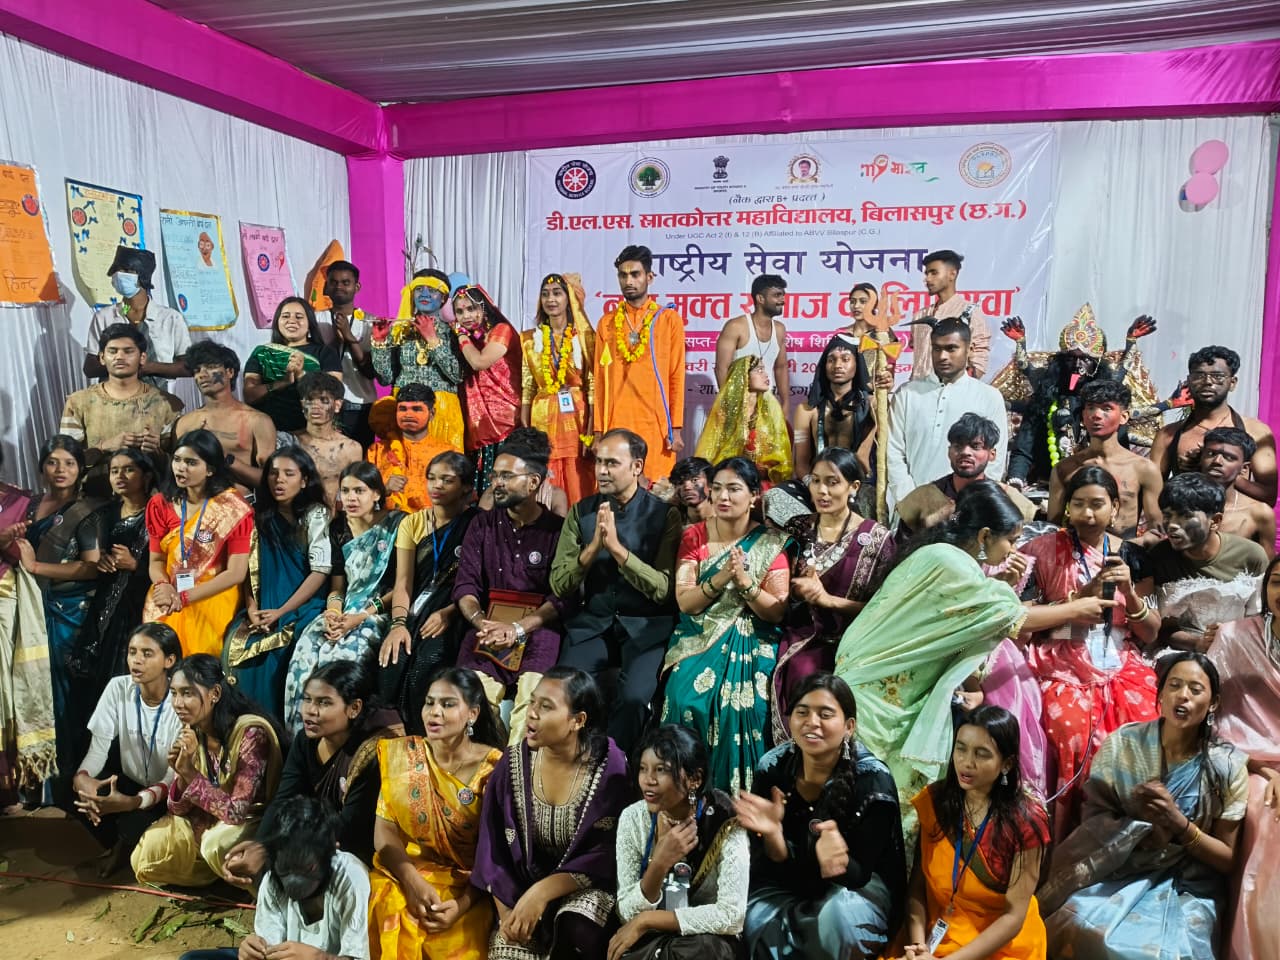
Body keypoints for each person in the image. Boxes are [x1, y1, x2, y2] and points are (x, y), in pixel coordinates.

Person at [835, 482, 1117, 813]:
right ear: (984, 536)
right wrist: (1076, 609)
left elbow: (968, 611)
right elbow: (1013, 618)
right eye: (1011, 540)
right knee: (881, 793)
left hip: (865, 677)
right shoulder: (956, 566)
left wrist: (1008, 586)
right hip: (880, 695)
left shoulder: (937, 554)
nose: (1014, 550)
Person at [1040, 653, 1250, 959]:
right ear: (1160, 694)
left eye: (1195, 689)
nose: (1183, 695)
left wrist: (1178, 824)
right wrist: (1137, 829)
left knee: (1172, 952)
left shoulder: (1226, 766)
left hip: (1188, 884)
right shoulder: (1123, 744)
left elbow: (1227, 859)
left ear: (1214, 703)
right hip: (1120, 868)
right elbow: (1093, 821)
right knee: (1076, 922)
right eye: (1174, 685)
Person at [1020, 466, 1159, 838]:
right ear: (1067, 507)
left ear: (1115, 507)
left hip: (1119, 657)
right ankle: (1066, 837)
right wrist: (1080, 599)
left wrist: (1129, 593)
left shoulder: (1132, 555)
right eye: (1078, 504)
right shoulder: (1041, 550)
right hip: (1059, 658)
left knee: (1144, 722)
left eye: (1097, 504)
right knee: (1070, 731)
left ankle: (1128, 837)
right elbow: (1023, 620)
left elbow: (1149, 632)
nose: (1087, 513)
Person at [737, 673, 906, 960]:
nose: (811, 722)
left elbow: (860, 875)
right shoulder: (772, 767)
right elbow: (769, 869)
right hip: (789, 881)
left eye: (825, 714)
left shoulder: (873, 781)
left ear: (849, 726)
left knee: (836, 920)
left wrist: (839, 864)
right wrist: (774, 838)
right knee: (756, 917)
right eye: (802, 712)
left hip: (856, 890)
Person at [473, 667, 631, 960]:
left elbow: (607, 854)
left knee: (578, 928)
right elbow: (493, 847)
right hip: (519, 890)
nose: (532, 713)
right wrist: (509, 916)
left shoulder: (610, 769)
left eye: (546, 707)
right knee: (506, 951)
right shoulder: (512, 765)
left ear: (578, 720)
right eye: (532, 702)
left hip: (585, 890)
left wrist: (543, 892)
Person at [662, 457, 790, 791]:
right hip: (699, 633)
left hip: (755, 635)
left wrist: (745, 583)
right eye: (716, 488)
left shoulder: (771, 542)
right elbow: (686, 603)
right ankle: (682, 793)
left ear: (754, 496)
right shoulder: (694, 537)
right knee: (683, 695)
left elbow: (776, 611)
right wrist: (722, 577)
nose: (723, 496)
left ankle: (739, 800)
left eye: (733, 489)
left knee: (749, 705)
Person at [551, 429, 681, 753]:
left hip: (646, 626)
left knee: (634, 699)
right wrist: (593, 548)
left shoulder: (665, 515)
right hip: (593, 625)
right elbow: (559, 584)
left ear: (637, 467)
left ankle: (615, 764)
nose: (601, 470)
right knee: (565, 692)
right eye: (599, 462)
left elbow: (664, 590)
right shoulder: (581, 512)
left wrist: (619, 552)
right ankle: (572, 762)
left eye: (612, 463)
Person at [224, 661, 400, 892]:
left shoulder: (373, 752)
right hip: (316, 834)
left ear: (354, 708)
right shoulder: (306, 741)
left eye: (324, 703)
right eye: (307, 699)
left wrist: (272, 849)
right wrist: (260, 844)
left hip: (356, 849)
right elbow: (283, 799)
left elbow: (350, 827)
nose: (310, 711)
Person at [367, 666, 506, 960]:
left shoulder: (494, 769)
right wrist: (412, 882)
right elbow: (384, 831)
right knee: (386, 907)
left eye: (448, 704)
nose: (434, 712)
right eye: (429, 702)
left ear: (472, 714)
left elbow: (497, 853)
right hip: (406, 872)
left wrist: (462, 905)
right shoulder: (404, 757)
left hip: (470, 888)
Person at [899, 706, 1051, 960]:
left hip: (1000, 947)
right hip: (933, 938)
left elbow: (1013, 918)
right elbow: (917, 889)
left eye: (981, 754)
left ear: (1007, 764)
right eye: (961, 749)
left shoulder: (1026, 823)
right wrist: (918, 948)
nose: (967, 762)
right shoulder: (936, 802)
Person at [772, 447, 894, 741]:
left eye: (832, 482)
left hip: (855, 642)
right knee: (798, 671)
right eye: (815, 481)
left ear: (853, 487)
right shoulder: (798, 529)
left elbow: (886, 609)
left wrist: (828, 601)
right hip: (800, 636)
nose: (822, 491)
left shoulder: (877, 540)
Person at [131, 654, 284, 886]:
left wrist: (190, 773)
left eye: (187, 693)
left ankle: (255, 885)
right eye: (174, 693)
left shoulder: (250, 733)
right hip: (210, 822)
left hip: (255, 825)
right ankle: (220, 874)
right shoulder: (193, 731)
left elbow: (236, 813)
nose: (178, 703)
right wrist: (182, 774)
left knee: (215, 844)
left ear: (215, 694)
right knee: (147, 853)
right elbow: (177, 809)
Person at [609, 723, 749, 960]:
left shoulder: (726, 821)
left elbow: (731, 916)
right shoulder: (633, 818)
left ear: (695, 779)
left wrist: (648, 920)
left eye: (661, 770)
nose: (648, 780)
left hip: (705, 941)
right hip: (651, 939)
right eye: (643, 769)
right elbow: (626, 912)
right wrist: (659, 864)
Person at [284, 462, 403, 729]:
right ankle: (300, 736)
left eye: (359, 491)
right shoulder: (338, 528)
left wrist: (359, 618)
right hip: (346, 610)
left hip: (377, 612)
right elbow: (338, 587)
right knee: (305, 652)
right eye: (346, 491)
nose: (351, 498)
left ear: (376, 493)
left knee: (338, 660)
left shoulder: (397, 525)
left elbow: (402, 586)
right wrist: (334, 613)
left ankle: (337, 732)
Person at [13, 435, 102, 792]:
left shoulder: (86, 511)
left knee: (64, 695)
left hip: (68, 613)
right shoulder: (30, 506)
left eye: (69, 463)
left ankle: (64, 784)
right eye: (52, 462)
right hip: (28, 609)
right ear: (41, 468)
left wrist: (37, 568)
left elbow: (91, 568)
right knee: (31, 689)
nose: (60, 470)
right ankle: (34, 782)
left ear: (80, 469)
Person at [453, 439, 566, 717]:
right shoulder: (482, 524)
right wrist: (482, 624)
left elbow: (562, 597)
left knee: (532, 706)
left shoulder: (557, 531)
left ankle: (519, 750)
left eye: (506, 476)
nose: (496, 484)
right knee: (470, 702)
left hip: (539, 627)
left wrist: (518, 629)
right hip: (488, 626)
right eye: (494, 476)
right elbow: (465, 585)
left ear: (533, 482)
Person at [183, 795, 372, 960]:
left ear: (331, 852)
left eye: (307, 867)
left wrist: (323, 958)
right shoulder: (272, 879)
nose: (294, 881)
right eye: (286, 869)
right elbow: (269, 948)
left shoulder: (352, 879)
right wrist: (252, 952)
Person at [1203, 554, 1280, 960]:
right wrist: (1265, 769)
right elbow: (1211, 718)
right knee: (1266, 814)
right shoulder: (1235, 636)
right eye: (1277, 582)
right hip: (1248, 757)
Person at [223, 448, 332, 719]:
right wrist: (252, 609)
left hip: (302, 607)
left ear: (304, 481)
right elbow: (249, 570)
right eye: (273, 473)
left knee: (279, 653)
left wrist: (281, 612)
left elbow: (320, 572)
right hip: (262, 608)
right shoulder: (256, 516)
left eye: (288, 474)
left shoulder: (315, 514)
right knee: (234, 644)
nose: (279, 480)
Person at [72, 623, 183, 876]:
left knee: (135, 823)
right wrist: (83, 779)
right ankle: (121, 841)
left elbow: (172, 778)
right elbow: (98, 749)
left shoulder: (180, 700)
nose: (136, 660)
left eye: (147, 653)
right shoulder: (118, 687)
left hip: (166, 796)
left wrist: (132, 803)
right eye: (132, 652)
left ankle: (126, 844)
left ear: (169, 660)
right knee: (70, 789)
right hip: (131, 784)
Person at [379, 452, 478, 733]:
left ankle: (428, 737)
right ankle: (396, 739)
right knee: (392, 659)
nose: (436, 486)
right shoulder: (412, 523)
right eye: (432, 478)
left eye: (447, 480)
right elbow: (403, 583)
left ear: (466, 487)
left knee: (428, 661)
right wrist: (397, 625)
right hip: (415, 609)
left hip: (456, 610)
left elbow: (481, 584)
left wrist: (450, 613)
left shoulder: (478, 524)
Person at [66, 447, 157, 750]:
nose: (120, 476)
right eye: (114, 470)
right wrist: (103, 560)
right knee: (94, 685)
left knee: (128, 680)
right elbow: (89, 557)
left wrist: (136, 566)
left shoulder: (159, 513)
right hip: (105, 607)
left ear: (146, 475)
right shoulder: (105, 514)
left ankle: (129, 760)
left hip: (140, 608)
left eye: (128, 469)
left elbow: (172, 566)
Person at [143, 430, 253, 657]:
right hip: (167, 597)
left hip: (213, 598)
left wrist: (184, 597)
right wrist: (163, 586)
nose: (181, 468)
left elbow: (236, 573)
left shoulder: (232, 507)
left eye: (191, 463)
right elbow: (156, 560)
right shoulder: (160, 504)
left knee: (199, 668)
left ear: (210, 469)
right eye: (177, 460)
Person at [887, 319, 1009, 510]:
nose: (942, 356)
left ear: (969, 349)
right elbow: (893, 452)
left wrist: (969, 505)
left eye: (951, 349)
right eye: (937, 349)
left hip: (966, 510)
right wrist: (912, 502)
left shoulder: (989, 397)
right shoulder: (907, 394)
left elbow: (995, 460)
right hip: (910, 509)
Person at [1144, 472, 1268, 651]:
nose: (1172, 525)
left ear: (1215, 521)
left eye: (1185, 516)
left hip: (1240, 646)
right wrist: (1197, 643)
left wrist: (1229, 637)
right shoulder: (1159, 557)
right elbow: (1162, 629)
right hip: (1181, 651)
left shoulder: (1251, 556)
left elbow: (1260, 618)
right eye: (1167, 515)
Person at [594, 245, 686, 481]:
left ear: (649, 277)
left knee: (656, 489)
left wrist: (675, 429)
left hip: (656, 424)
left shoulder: (668, 319)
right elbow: (600, 381)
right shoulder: (607, 323)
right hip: (616, 421)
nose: (629, 281)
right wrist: (598, 431)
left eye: (635, 274)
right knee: (617, 485)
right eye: (623, 275)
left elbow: (676, 376)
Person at [1150, 345, 1277, 505]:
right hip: (1186, 517)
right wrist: (1189, 477)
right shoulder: (1168, 435)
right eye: (1199, 375)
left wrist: (1223, 472)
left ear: (1232, 383)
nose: (1207, 382)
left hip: (1235, 518)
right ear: (1189, 381)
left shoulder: (1256, 431)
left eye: (1217, 376)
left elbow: (1269, 496)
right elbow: (1152, 494)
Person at [60, 322, 178, 494]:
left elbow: (180, 465)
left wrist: (156, 452)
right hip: (95, 498)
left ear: (142, 358)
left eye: (128, 351)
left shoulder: (166, 404)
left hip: (150, 499)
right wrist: (104, 447)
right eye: (113, 351)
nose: (120, 357)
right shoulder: (79, 402)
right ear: (102, 358)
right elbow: (65, 463)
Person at [0, 451, 54, 805]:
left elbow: (29, 556)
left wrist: (10, 543)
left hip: (4, 601)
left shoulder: (20, 501)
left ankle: (6, 790)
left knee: (3, 691)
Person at [1046, 380, 1163, 539]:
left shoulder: (1144, 469)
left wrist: (1127, 548)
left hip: (1125, 551)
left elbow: (1157, 532)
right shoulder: (1064, 469)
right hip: (1076, 552)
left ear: (1123, 417)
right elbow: (1052, 528)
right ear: (1083, 416)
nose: (1096, 415)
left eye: (1106, 408)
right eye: (1091, 407)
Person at [895, 413, 1035, 541]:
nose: (965, 452)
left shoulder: (1008, 498)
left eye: (975, 446)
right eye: (958, 446)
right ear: (949, 452)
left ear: (992, 454)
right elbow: (901, 549)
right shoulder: (923, 498)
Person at [520, 272, 597, 503]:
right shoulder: (529, 339)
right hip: (541, 416)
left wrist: (592, 430)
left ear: (569, 298)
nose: (550, 299)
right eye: (545, 294)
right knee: (545, 471)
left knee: (577, 474)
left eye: (557, 293)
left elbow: (592, 384)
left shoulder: (584, 338)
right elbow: (528, 385)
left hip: (576, 418)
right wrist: (525, 425)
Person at [373, 270, 466, 451]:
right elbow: (385, 378)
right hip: (405, 409)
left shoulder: (453, 332)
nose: (424, 294)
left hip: (441, 411)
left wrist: (432, 339)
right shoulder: (399, 330)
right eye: (419, 289)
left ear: (443, 298)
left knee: (443, 464)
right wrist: (380, 343)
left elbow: (457, 375)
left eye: (431, 290)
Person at [172, 340, 276, 492]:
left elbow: (272, 480)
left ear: (230, 372)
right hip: (194, 504)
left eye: (210, 367)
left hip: (240, 503)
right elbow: (173, 474)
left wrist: (228, 460)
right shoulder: (185, 423)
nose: (202, 375)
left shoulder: (256, 421)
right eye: (197, 370)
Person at [84, 246, 191, 390]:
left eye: (127, 271)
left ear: (143, 276)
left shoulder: (170, 318)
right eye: (117, 270)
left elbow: (187, 366)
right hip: (115, 398)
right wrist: (123, 365)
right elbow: (90, 367)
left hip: (159, 397)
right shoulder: (104, 317)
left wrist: (150, 367)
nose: (120, 275)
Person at [451, 283, 522, 478]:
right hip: (476, 424)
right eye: (459, 311)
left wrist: (460, 336)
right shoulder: (470, 339)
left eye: (471, 308)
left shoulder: (501, 330)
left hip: (506, 422)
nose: (466, 316)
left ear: (484, 307)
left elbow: (479, 362)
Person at [244, 296, 344, 434]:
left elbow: (333, 394)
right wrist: (282, 383)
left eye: (299, 317)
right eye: (285, 316)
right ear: (277, 322)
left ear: (309, 323)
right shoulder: (263, 353)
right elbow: (249, 395)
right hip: (269, 433)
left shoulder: (325, 353)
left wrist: (301, 375)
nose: (291, 320)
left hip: (311, 433)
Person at [695, 355, 793, 484]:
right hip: (729, 477)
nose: (766, 375)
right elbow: (713, 452)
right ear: (743, 376)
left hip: (763, 481)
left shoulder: (771, 412)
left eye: (764, 370)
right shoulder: (725, 414)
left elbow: (779, 457)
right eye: (759, 370)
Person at [315, 259, 379, 451]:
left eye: (345, 282)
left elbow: (370, 371)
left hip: (361, 403)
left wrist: (349, 337)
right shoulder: (317, 319)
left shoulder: (371, 322)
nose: (339, 287)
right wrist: (337, 340)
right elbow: (317, 362)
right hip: (325, 403)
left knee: (360, 457)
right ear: (326, 286)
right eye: (333, 282)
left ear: (356, 287)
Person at [792, 333, 875, 478]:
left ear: (857, 364)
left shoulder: (871, 405)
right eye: (831, 360)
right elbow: (801, 464)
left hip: (858, 482)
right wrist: (814, 486)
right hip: (817, 482)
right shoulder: (806, 410)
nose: (837, 365)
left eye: (845, 359)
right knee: (778, 491)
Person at [367, 383, 457, 513]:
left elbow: (460, 499)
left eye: (417, 409)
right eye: (403, 409)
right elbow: (361, 495)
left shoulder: (448, 453)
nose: (408, 415)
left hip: (433, 522)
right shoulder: (376, 451)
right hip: (386, 522)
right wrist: (384, 490)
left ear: (432, 414)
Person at [715, 273, 792, 421]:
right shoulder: (736, 326)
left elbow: (781, 367)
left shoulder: (780, 329)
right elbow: (721, 368)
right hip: (737, 405)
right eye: (777, 295)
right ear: (760, 299)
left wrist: (786, 402)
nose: (782, 300)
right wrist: (730, 404)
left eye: (783, 295)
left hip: (766, 405)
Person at [907, 250, 991, 380]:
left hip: (951, 389)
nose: (927, 279)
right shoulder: (920, 316)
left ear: (952, 274)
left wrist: (963, 386)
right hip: (917, 388)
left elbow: (979, 358)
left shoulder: (969, 312)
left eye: (934, 273)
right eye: (927, 274)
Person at [1199, 426, 1276, 557]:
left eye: (1229, 457)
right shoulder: (1181, 503)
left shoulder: (1259, 513)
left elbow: (1267, 565)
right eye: (1211, 454)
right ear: (1201, 458)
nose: (1217, 461)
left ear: (1244, 468)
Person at [293, 371, 364, 508]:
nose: (315, 406)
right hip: (293, 516)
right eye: (310, 400)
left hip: (332, 517)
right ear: (302, 405)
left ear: (337, 405)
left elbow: (353, 493)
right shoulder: (288, 441)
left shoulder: (351, 448)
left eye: (323, 400)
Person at [667, 457, 715, 526]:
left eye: (694, 480)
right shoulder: (670, 522)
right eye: (680, 483)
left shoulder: (727, 520)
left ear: (710, 484)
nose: (687, 487)